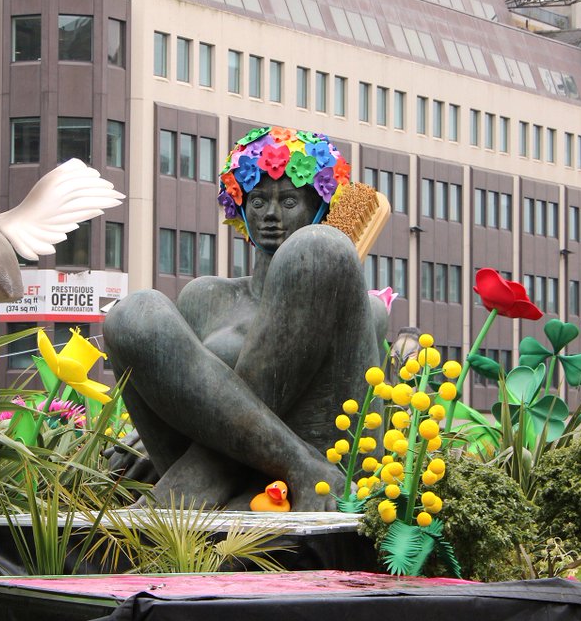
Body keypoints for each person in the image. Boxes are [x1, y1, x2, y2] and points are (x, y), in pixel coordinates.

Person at [104, 126, 389, 511]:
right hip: (221, 489)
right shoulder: (205, 297)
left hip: (321, 483)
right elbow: (182, 389)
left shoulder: (363, 308)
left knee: (318, 249)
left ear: (318, 208)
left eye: (289, 202)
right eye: (257, 201)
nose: (271, 215)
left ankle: (203, 478)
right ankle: (277, 465)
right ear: (240, 206)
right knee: (132, 314)